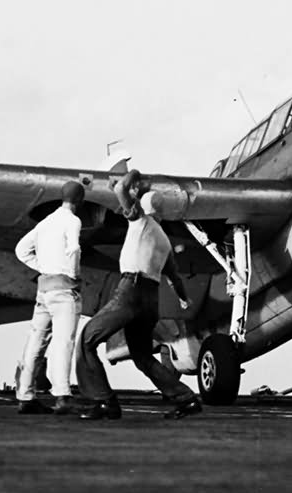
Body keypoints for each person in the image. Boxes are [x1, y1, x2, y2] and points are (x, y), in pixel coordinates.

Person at [73, 173, 202, 420]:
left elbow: (121, 186)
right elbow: (175, 278)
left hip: (130, 291)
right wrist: (184, 300)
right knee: (142, 356)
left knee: (87, 339)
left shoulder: (140, 221)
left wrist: (134, 176)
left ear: (142, 208)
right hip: (151, 299)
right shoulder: (164, 240)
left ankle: (104, 401)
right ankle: (186, 399)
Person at [13, 182, 86, 414]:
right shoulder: (73, 221)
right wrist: (73, 275)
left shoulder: (45, 223)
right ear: (80, 200)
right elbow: (74, 249)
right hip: (64, 290)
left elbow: (21, 249)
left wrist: (43, 267)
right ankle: (62, 395)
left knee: (37, 341)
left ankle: (25, 395)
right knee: (64, 342)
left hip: (43, 289)